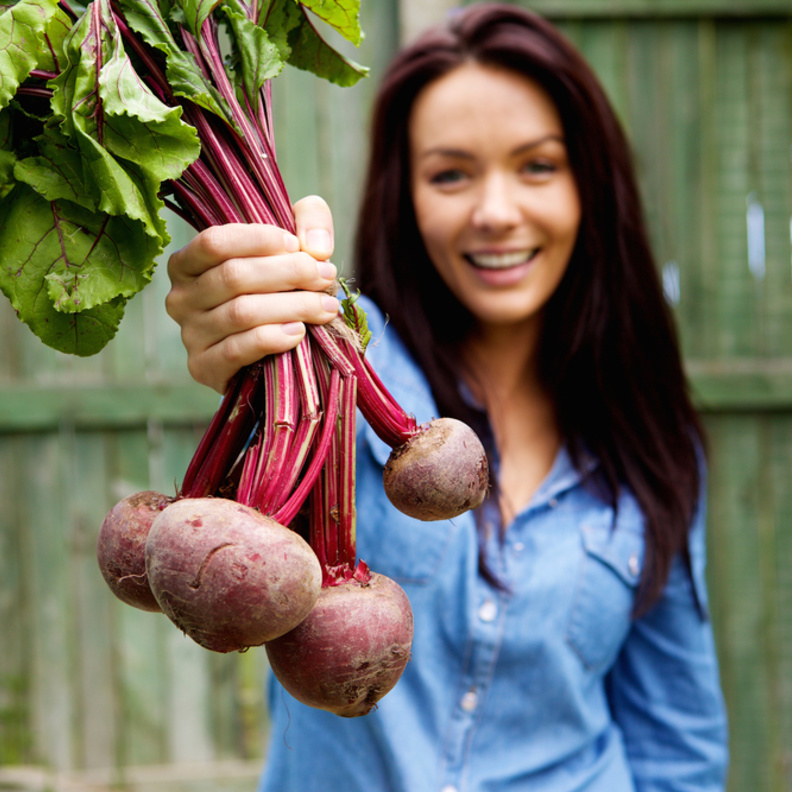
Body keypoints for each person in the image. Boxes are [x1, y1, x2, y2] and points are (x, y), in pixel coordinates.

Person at [165, 4, 729, 790]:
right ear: (406, 198)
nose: (497, 212)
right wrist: (237, 328)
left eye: (537, 165)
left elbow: (679, 742)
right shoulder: (331, 371)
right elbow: (251, 372)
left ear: (591, 186)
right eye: (451, 173)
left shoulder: (650, 438)